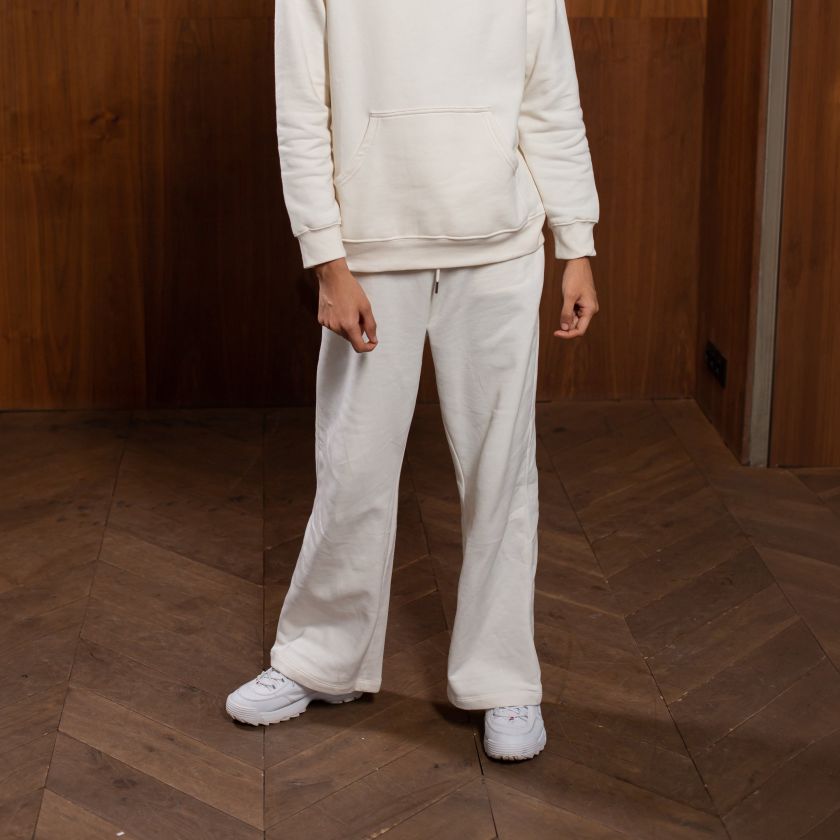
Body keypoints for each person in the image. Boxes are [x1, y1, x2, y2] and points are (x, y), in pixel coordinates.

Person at [226, 0, 600, 762]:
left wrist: (577, 243)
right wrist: (327, 262)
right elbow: (301, 110)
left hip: (500, 247)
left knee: (501, 473)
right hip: (370, 250)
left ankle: (502, 678)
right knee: (353, 466)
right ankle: (319, 659)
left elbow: (550, 95)